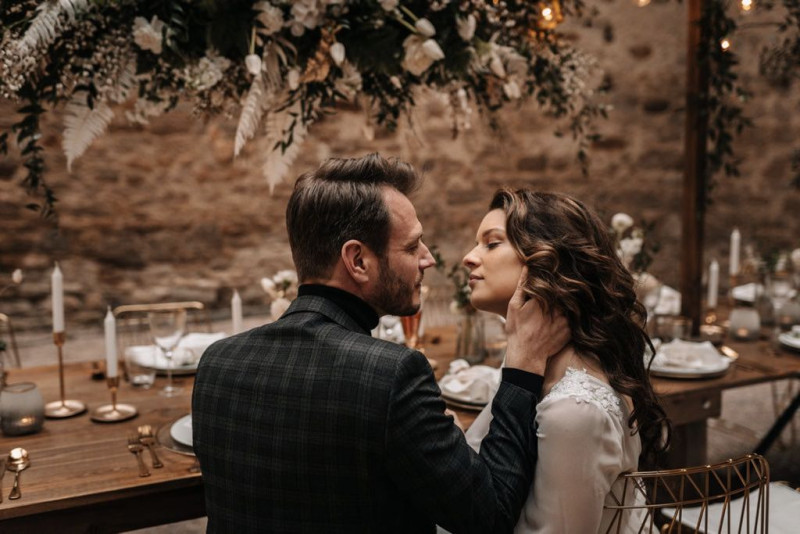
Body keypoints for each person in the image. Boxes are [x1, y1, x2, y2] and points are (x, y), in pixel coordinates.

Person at [192, 154, 570, 533]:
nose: (429, 260)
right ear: (358, 260)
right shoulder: (391, 374)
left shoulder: (216, 361)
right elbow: (490, 514)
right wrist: (521, 370)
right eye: (411, 247)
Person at [461, 189, 669, 533]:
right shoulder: (531, 363)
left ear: (547, 261)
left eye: (492, 243)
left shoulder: (574, 411)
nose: (469, 257)